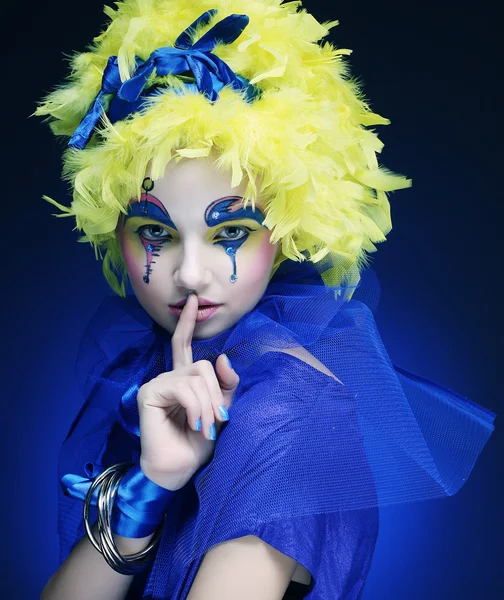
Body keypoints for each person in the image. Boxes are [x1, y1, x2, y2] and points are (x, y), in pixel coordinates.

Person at [35, 1, 496, 599]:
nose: (192, 275)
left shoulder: (290, 413)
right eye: (155, 232)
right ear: (113, 231)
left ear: (284, 236)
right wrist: (150, 486)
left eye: (230, 233)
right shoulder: (159, 378)